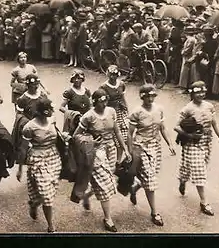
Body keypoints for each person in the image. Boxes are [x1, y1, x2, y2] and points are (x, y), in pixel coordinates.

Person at [73, 89, 131, 232]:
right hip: (96, 152)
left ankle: (87, 196)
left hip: (110, 148)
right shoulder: (88, 116)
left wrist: (125, 150)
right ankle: (107, 218)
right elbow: (76, 136)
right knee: (105, 184)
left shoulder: (111, 111)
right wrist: (92, 141)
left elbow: (117, 131)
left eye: (105, 101)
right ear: (94, 102)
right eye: (101, 101)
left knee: (107, 179)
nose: (104, 104)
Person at [175, 81, 219, 216]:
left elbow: (214, 123)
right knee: (199, 172)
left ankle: (182, 180)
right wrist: (189, 134)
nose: (200, 94)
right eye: (197, 92)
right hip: (192, 143)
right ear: (192, 93)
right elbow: (176, 126)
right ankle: (204, 202)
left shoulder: (209, 106)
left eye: (203, 92)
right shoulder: (187, 108)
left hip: (206, 142)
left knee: (189, 167)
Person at [127, 84, 176, 226]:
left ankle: (134, 188)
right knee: (150, 180)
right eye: (147, 96)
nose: (150, 98)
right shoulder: (137, 112)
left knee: (150, 177)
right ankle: (155, 213)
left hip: (156, 147)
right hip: (141, 147)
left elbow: (162, 128)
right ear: (142, 96)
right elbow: (130, 134)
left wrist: (170, 144)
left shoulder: (159, 109)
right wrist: (130, 152)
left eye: (152, 95)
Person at [16, 99, 61, 233]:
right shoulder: (29, 127)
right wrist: (20, 169)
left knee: (49, 191)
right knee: (46, 194)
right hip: (37, 159)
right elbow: (23, 148)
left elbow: (56, 135)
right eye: (50, 109)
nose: (53, 111)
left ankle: (34, 203)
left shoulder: (52, 119)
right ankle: (51, 225)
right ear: (44, 111)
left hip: (54, 158)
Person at [99, 65, 128, 161]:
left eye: (115, 75)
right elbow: (103, 102)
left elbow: (123, 98)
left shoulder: (121, 84)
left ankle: (118, 161)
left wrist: (127, 109)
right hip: (110, 113)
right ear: (108, 74)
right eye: (111, 74)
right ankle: (109, 160)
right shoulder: (103, 87)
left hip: (121, 112)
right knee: (112, 138)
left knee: (124, 137)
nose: (113, 77)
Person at [59, 69, 91, 134]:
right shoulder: (69, 92)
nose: (76, 80)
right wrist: (73, 114)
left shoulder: (86, 91)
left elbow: (91, 105)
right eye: (74, 78)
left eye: (79, 78)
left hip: (87, 120)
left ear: (82, 79)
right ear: (72, 79)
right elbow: (61, 107)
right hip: (74, 122)